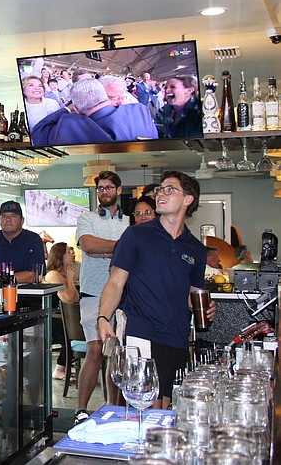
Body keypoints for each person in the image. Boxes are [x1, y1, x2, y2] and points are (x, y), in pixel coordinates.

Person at [98, 171, 216, 410]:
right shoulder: (136, 235)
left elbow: (193, 294)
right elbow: (115, 282)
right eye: (161, 189)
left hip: (177, 336)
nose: (161, 193)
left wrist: (205, 307)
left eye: (170, 189)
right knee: (145, 406)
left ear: (188, 200)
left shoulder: (195, 249)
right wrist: (103, 317)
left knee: (166, 408)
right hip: (142, 333)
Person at [73, 170, 129, 424]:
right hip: (93, 292)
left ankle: (112, 407)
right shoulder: (87, 218)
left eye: (109, 187)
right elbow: (88, 246)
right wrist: (120, 247)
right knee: (95, 349)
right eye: (101, 188)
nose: (104, 192)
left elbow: (99, 247)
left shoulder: (130, 222)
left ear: (118, 190)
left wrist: (104, 248)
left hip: (125, 294)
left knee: (116, 352)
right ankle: (80, 409)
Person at [31, 78, 158, 146]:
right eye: (114, 97)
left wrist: (67, 108)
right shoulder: (141, 110)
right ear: (104, 95)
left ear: (77, 109)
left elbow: (39, 129)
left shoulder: (70, 125)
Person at [0, 201, 45, 283]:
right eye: (3, 216)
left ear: (22, 221)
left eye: (13, 216)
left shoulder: (33, 240)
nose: (8, 219)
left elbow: (34, 275)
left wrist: (2, 279)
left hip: (26, 293)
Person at [44, 242, 79, 380]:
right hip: (52, 319)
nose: (72, 254)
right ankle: (59, 368)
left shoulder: (62, 275)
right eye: (68, 252)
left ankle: (65, 366)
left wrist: (69, 279)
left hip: (62, 317)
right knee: (72, 333)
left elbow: (75, 298)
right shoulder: (53, 274)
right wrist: (70, 279)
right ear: (60, 255)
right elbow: (68, 298)